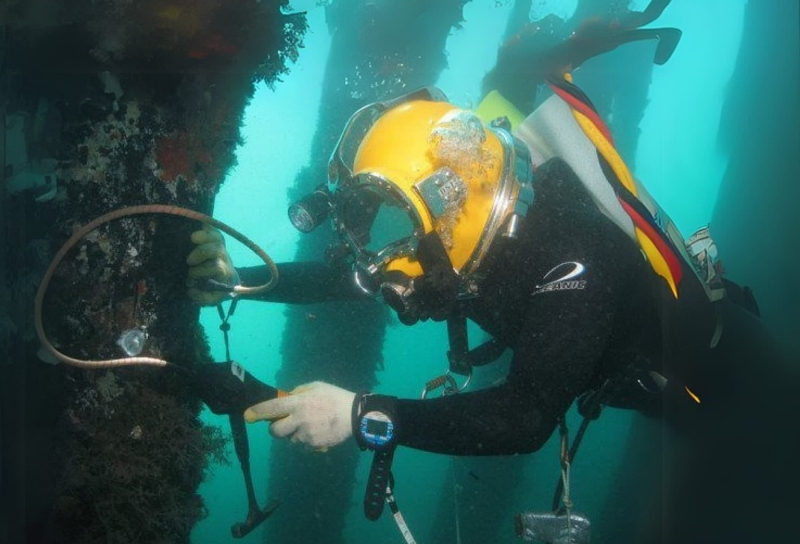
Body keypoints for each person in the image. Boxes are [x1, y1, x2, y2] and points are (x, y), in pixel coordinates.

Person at [186, 76, 797, 544]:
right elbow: (349, 278)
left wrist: (360, 413)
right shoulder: (463, 244)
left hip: (736, 375)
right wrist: (238, 281)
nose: (381, 262)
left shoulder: (576, 253)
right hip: (654, 390)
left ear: (454, 208)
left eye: (399, 225)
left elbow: (525, 416)